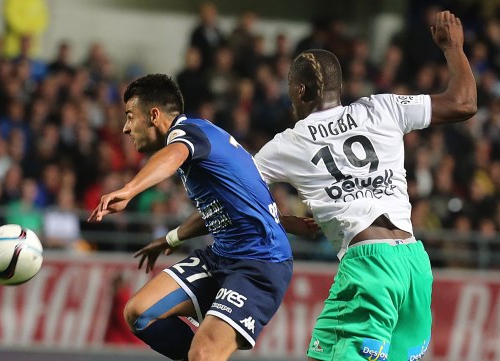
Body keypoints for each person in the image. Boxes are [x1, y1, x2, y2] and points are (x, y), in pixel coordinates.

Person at [253, 11, 476, 361]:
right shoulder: (383, 107)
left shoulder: (288, 143)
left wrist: (283, 221)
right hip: (414, 264)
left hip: (369, 267)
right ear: (338, 87)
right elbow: (464, 103)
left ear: (299, 90)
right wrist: (454, 48)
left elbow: (235, 194)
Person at [88, 74, 305, 361]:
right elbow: (218, 208)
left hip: (259, 264)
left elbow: (173, 155)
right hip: (221, 256)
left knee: (203, 354)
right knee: (138, 313)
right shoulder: (202, 141)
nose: (126, 128)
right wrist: (170, 239)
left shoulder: (187, 133)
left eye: (130, 117)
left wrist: (129, 190)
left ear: (154, 115)